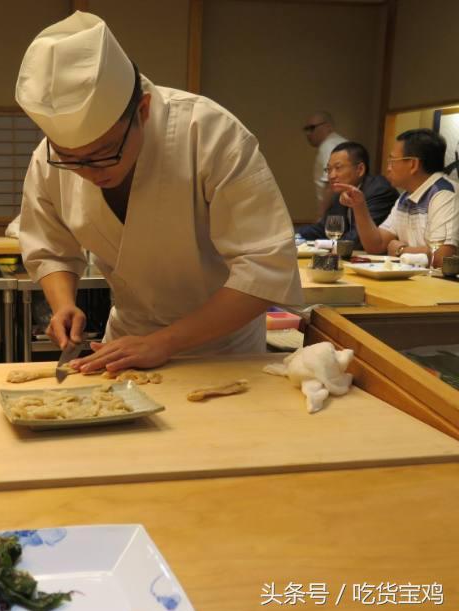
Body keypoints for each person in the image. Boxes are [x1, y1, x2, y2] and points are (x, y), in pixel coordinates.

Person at [16, 12, 302, 374]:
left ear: (143, 111)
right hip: (125, 346)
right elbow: (50, 247)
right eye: (71, 159)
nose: (88, 173)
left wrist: (164, 343)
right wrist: (63, 304)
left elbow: (266, 268)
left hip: (222, 349)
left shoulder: (209, 134)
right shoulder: (48, 158)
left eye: (104, 154)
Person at [336, 129, 458, 268]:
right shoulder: (406, 197)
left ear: (413, 164)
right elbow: (376, 245)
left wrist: (401, 250)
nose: (388, 168)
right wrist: (359, 205)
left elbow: (443, 257)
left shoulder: (444, 193)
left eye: (392, 161)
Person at [296, 141, 397, 249]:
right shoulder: (340, 192)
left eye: (338, 168)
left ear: (360, 169)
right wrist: (293, 236)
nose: (332, 175)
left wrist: (324, 245)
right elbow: (322, 229)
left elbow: (356, 239)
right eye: (329, 169)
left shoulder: (379, 191)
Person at [303, 111, 346, 218]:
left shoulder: (329, 146)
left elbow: (331, 184)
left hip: (336, 212)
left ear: (328, 127)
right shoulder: (338, 142)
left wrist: (321, 215)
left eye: (312, 128)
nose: (308, 133)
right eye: (306, 129)